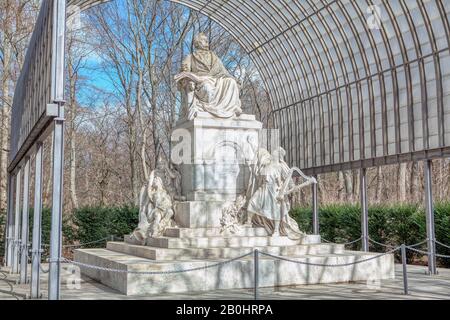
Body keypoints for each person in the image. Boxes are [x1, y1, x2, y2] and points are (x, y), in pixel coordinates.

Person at [175, 33, 242, 119]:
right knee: (207, 88)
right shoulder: (190, 57)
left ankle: (231, 108)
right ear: (197, 43)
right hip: (200, 82)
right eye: (204, 40)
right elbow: (184, 74)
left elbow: (223, 71)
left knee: (231, 82)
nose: (207, 41)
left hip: (215, 79)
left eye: (207, 40)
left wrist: (234, 79)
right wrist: (188, 80)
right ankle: (212, 109)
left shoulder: (213, 56)